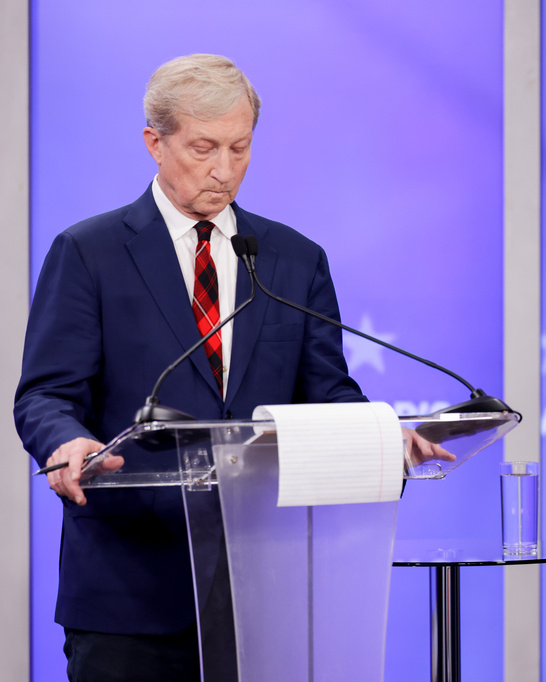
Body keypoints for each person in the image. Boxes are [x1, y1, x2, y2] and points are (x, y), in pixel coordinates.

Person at [14, 54, 447, 682]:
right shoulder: (88, 252)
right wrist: (65, 441)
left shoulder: (294, 260)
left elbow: (327, 391)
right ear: (154, 143)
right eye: (204, 148)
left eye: (240, 148)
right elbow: (46, 394)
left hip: (266, 590)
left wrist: (377, 439)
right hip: (128, 592)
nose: (224, 170)